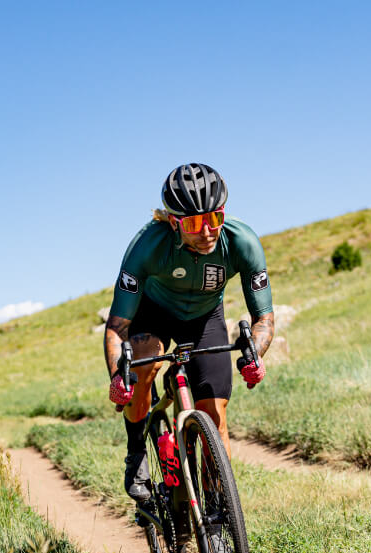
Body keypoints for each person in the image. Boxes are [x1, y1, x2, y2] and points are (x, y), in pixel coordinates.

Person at [105, 163, 277, 503]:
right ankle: (137, 447)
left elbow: (264, 318)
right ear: (173, 222)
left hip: (204, 318)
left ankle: (217, 517)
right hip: (153, 314)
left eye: (215, 218)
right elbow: (117, 326)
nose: (208, 231)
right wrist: (117, 376)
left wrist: (254, 352)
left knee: (215, 416)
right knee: (143, 365)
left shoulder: (241, 241)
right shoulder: (147, 246)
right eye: (195, 224)